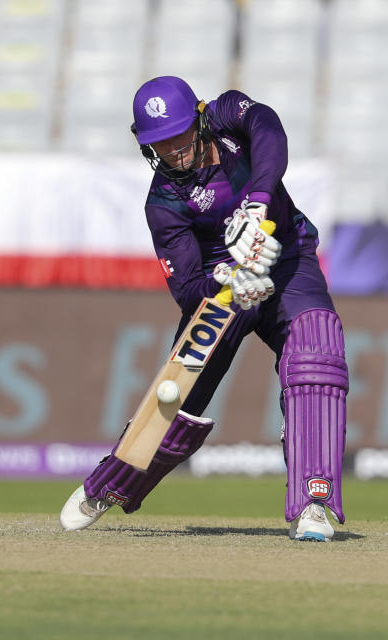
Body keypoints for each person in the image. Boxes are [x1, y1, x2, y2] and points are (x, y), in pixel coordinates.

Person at [59, 76, 348, 542]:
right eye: (159, 143)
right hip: (224, 288)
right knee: (178, 393)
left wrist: (257, 207)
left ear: (198, 119)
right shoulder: (164, 202)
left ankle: (314, 502)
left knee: (317, 350)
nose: (172, 151)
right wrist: (231, 278)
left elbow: (270, 130)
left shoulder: (227, 115)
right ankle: (109, 483)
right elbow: (188, 287)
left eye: (177, 135)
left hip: (286, 255)